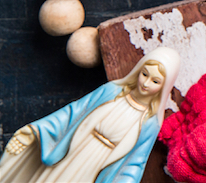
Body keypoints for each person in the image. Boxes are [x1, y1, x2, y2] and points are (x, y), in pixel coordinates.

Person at [0, 46, 180, 183]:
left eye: (155, 81)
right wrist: (36, 130)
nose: (146, 83)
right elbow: (74, 113)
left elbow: (135, 162)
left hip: (98, 167)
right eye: (144, 74)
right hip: (74, 149)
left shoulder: (150, 122)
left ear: (164, 87)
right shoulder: (112, 91)